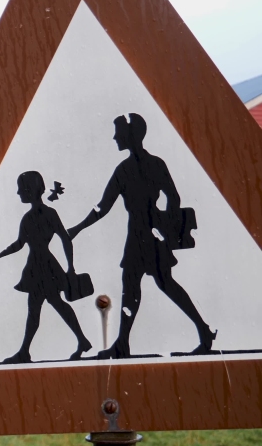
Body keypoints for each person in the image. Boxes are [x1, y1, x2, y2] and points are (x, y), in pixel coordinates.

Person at [67, 113, 215, 359]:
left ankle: (198, 332)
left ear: (131, 134)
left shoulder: (142, 166)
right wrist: (78, 228)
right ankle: (199, 332)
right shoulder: (128, 169)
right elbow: (103, 207)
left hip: (148, 233)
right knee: (147, 285)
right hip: (143, 233)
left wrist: (168, 229)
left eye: (119, 133)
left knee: (152, 285)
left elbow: (172, 198)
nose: (115, 137)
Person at [0, 171, 91, 364]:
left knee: (41, 308)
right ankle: (79, 341)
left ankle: (27, 351)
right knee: (49, 306)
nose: (18, 193)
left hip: (44, 268)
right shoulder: (28, 217)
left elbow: (65, 239)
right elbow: (19, 244)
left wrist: (71, 268)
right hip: (38, 267)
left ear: (29, 190)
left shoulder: (48, 214)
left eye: (20, 189)